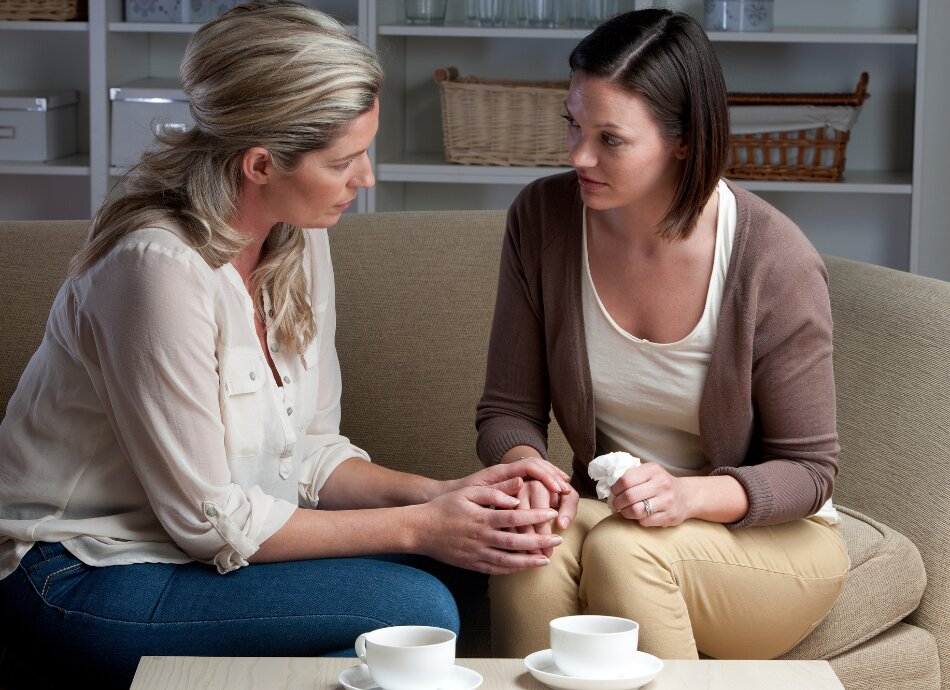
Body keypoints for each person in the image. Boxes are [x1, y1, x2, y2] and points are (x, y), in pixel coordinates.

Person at [0, 3, 570, 687]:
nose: (367, 179)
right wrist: (421, 525)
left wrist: (450, 496)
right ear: (261, 163)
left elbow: (309, 453)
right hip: (81, 572)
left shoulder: (297, 236)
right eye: (344, 161)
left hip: (193, 556)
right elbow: (211, 523)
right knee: (418, 605)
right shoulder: (155, 269)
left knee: (474, 567)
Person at [476, 9, 850, 662]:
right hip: (621, 516)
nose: (579, 155)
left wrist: (687, 496)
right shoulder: (543, 219)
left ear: (682, 140)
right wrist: (526, 471)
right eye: (573, 124)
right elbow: (508, 411)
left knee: (626, 553)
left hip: (767, 536)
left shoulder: (772, 259)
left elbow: (810, 471)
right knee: (529, 548)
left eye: (610, 140)